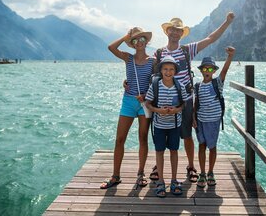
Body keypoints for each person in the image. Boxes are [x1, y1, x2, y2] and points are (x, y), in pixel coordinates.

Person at [148, 12, 235, 183]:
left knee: (187, 135)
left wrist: (227, 22)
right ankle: (159, 166)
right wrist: (128, 82)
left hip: (186, 100)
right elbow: (146, 69)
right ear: (167, 32)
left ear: (182, 33)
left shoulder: (187, 50)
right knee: (162, 134)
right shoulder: (158, 53)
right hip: (163, 101)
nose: (174, 33)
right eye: (172, 30)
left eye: (178, 30)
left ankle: (191, 166)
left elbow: (211, 38)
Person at [100, 27, 154, 189]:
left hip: (145, 104)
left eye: (142, 39)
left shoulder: (153, 61)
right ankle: (115, 176)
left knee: (142, 139)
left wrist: (146, 95)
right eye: (135, 40)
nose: (139, 42)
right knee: (119, 139)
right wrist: (126, 36)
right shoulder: (128, 58)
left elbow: (156, 82)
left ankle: (140, 174)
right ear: (132, 43)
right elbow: (111, 47)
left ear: (146, 41)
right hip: (128, 102)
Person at [144, 55, 190, 197]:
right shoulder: (155, 85)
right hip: (159, 125)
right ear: (161, 70)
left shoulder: (179, 86)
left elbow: (184, 103)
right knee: (159, 152)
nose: (168, 72)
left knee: (174, 151)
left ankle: (174, 180)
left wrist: (177, 110)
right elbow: (147, 103)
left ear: (175, 71)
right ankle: (161, 181)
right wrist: (159, 111)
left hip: (175, 125)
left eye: (171, 69)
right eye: (165, 69)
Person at [194, 47, 235, 187]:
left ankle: (211, 172)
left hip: (213, 120)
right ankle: (202, 173)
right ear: (201, 70)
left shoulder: (217, 83)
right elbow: (196, 102)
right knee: (201, 145)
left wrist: (229, 57)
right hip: (200, 120)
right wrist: (193, 119)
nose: (207, 71)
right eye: (205, 69)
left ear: (214, 71)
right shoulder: (197, 85)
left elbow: (225, 71)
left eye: (210, 69)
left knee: (212, 146)